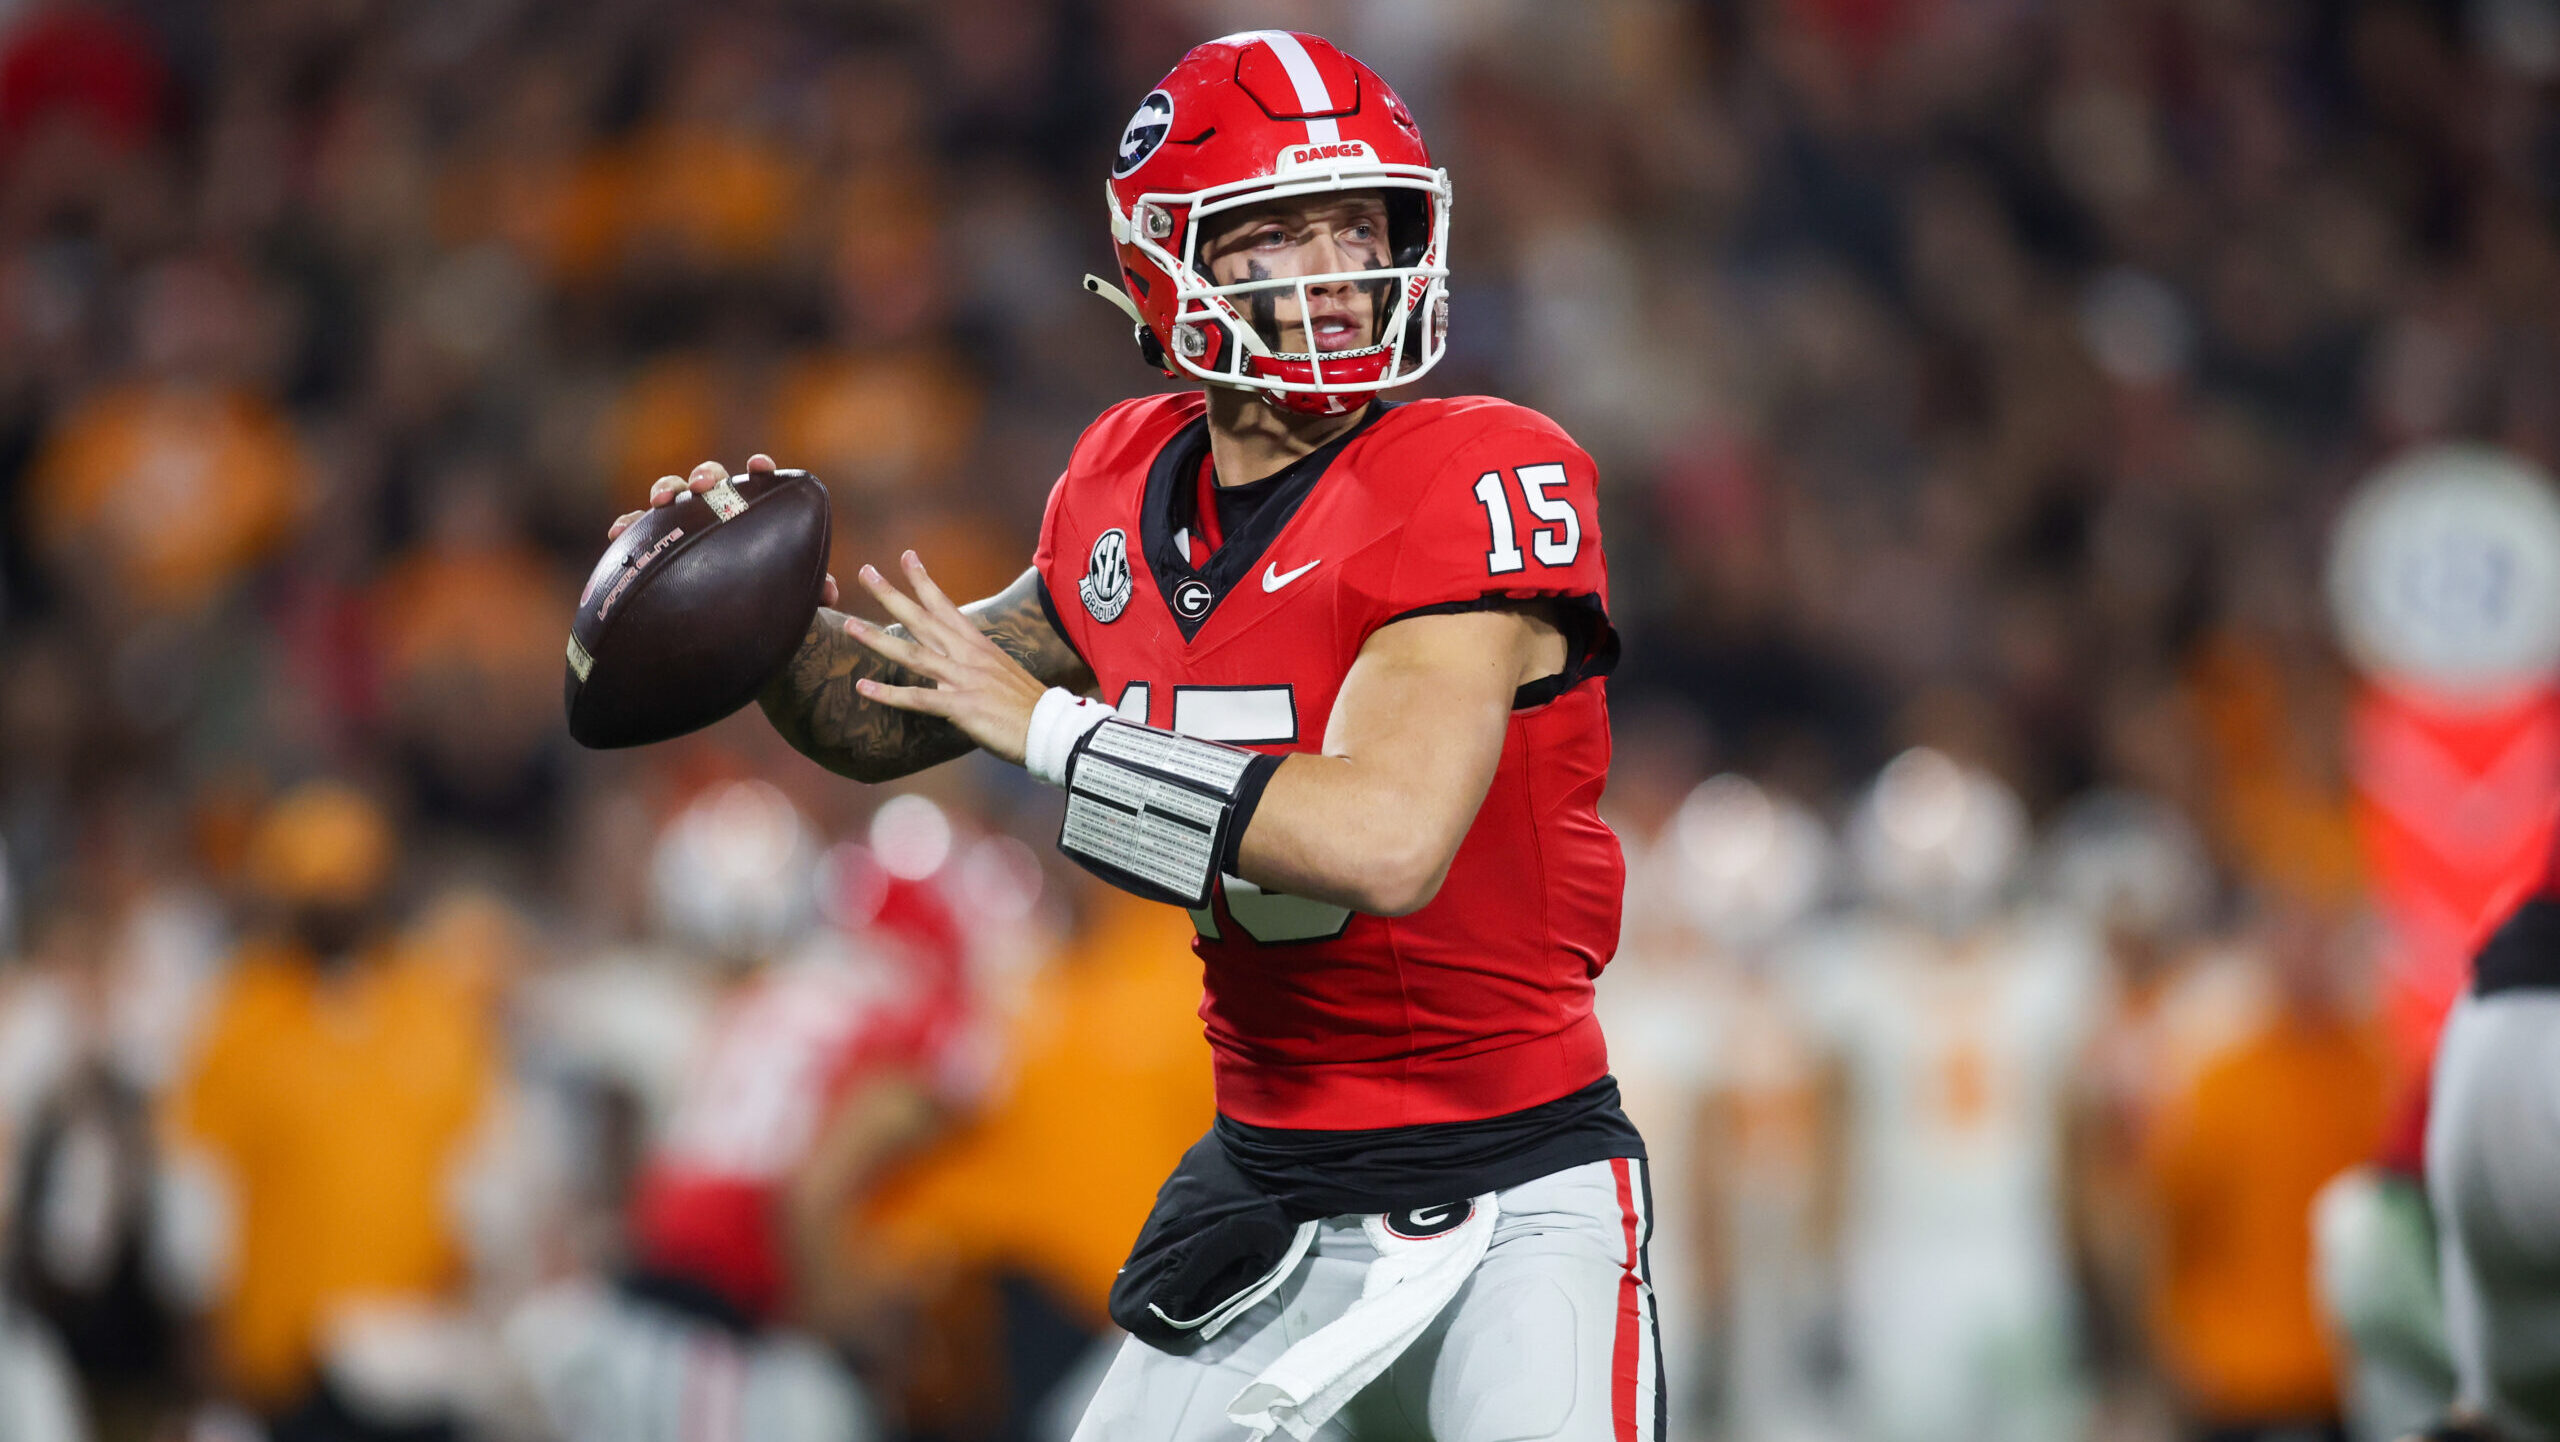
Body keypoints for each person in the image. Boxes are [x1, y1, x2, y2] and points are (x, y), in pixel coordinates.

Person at [612, 29, 1654, 1442]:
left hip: (1515, 1193)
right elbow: (884, 713)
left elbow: (1384, 839)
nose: (1344, 269)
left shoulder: (1477, 469)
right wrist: (755, 613)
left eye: (1364, 220)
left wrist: (1051, 731)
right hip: (1278, 1189)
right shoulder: (1122, 486)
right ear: (1174, 263)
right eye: (1283, 233)